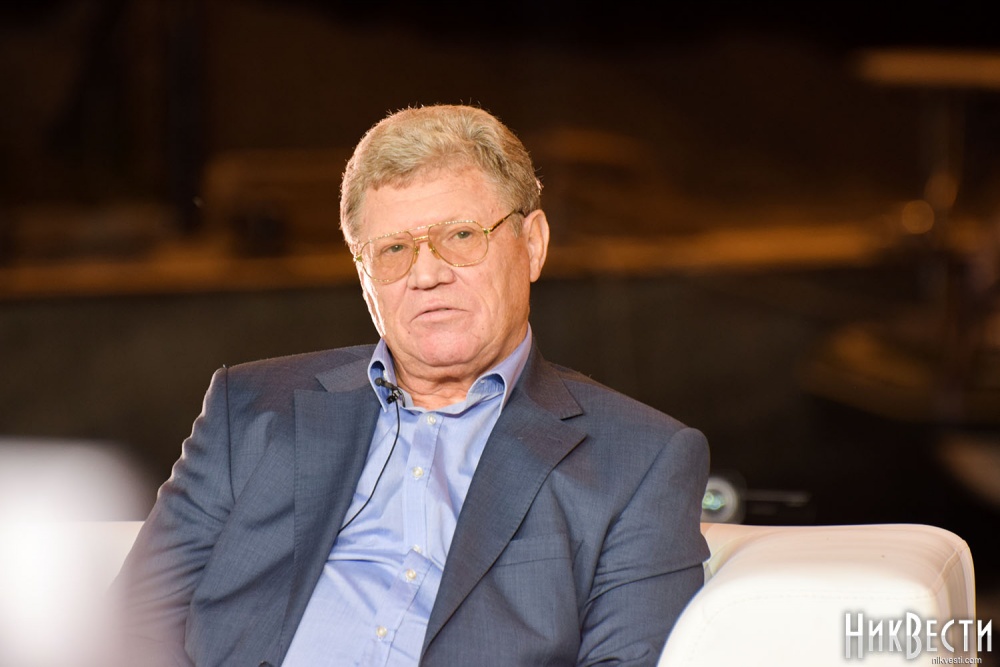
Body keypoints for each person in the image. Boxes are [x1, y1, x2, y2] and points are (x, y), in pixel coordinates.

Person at [113, 104, 710, 666]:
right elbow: (127, 632)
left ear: (532, 245)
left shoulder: (639, 461)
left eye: (461, 236)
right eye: (394, 248)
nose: (426, 274)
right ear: (363, 275)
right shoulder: (249, 409)